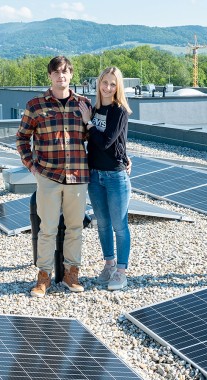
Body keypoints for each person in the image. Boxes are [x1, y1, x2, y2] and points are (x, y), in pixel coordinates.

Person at [17, 56, 91, 297]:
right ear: (49, 75)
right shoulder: (36, 105)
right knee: (47, 229)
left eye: (66, 72)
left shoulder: (84, 105)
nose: (61, 76)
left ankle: (72, 274)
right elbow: (21, 138)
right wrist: (32, 166)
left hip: (77, 176)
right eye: (57, 72)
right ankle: (44, 277)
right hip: (48, 176)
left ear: (71, 75)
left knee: (75, 228)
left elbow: (96, 138)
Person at [79, 67, 132, 291]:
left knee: (119, 226)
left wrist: (89, 123)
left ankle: (121, 272)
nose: (108, 87)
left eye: (113, 84)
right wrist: (88, 121)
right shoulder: (95, 108)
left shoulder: (119, 111)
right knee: (102, 225)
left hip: (115, 176)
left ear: (118, 87)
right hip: (94, 174)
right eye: (105, 83)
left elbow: (107, 141)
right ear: (98, 84)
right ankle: (109, 265)